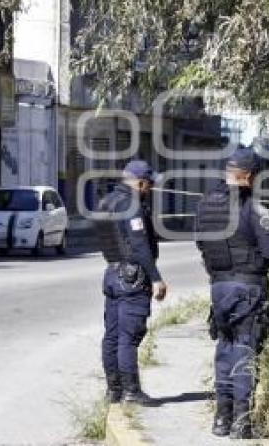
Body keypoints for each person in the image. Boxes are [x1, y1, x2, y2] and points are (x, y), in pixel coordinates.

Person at [196, 148, 269, 438]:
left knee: (224, 349)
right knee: (244, 351)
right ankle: (242, 423)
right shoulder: (254, 208)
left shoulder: (205, 206)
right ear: (249, 176)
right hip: (248, 289)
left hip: (219, 289)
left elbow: (202, 246)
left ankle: (222, 418)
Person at [95, 160, 168, 405]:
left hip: (112, 274)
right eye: (148, 184)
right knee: (128, 337)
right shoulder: (132, 205)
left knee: (112, 336)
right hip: (132, 278)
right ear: (139, 182)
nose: (151, 189)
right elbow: (139, 246)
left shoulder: (107, 202)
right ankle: (131, 391)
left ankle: (113, 390)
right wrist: (156, 278)